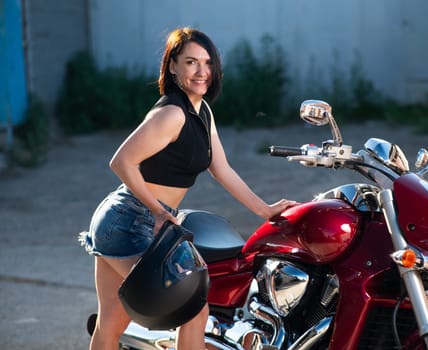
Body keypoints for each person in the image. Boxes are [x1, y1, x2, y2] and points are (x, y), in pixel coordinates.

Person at [79, 27, 297, 350]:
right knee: (191, 308)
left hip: (144, 219)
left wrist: (264, 210)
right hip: (127, 220)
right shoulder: (171, 114)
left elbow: (221, 168)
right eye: (191, 62)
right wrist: (157, 210)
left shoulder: (202, 113)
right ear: (173, 67)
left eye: (207, 63)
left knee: (111, 322)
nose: (201, 71)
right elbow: (122, 161)